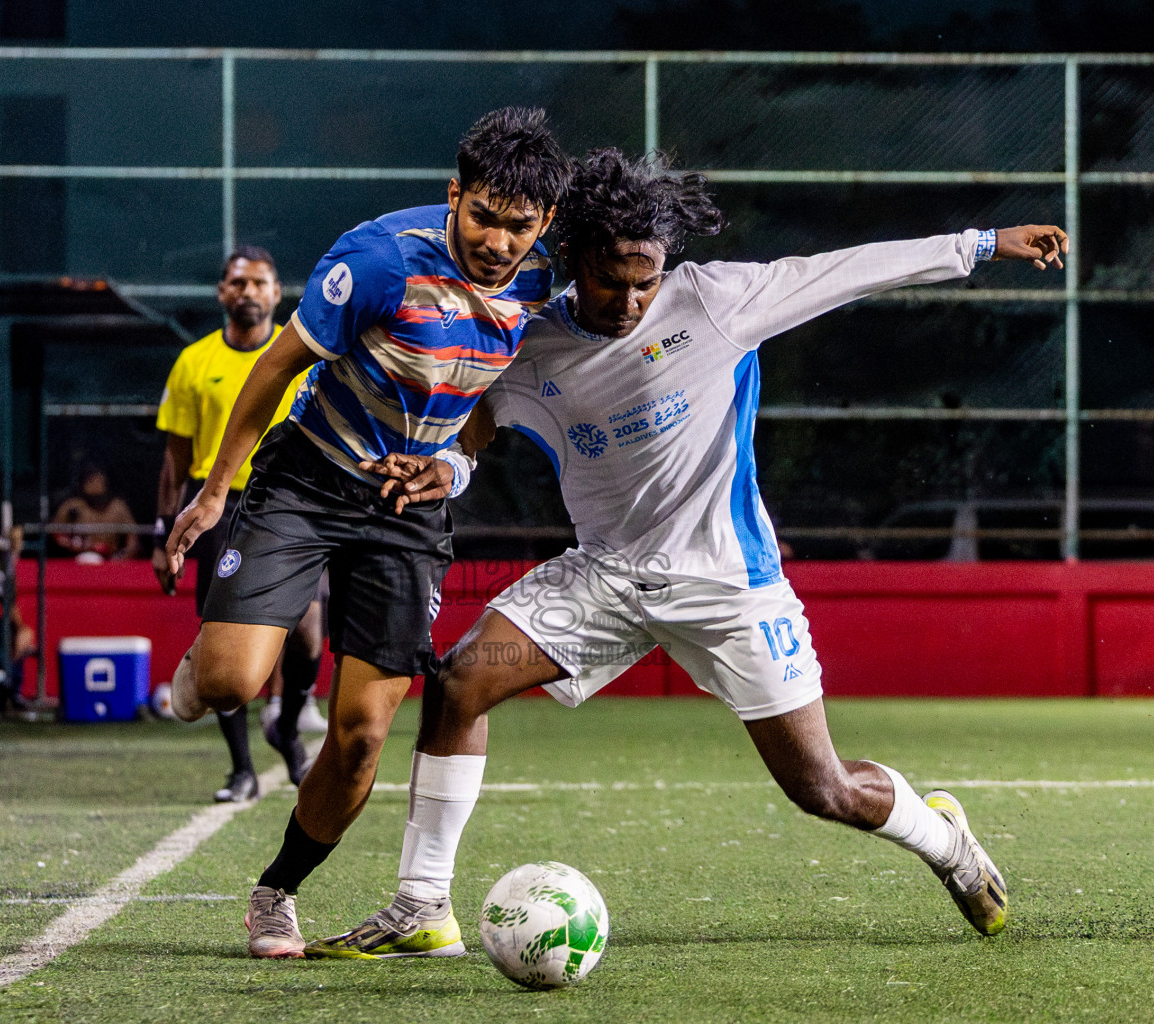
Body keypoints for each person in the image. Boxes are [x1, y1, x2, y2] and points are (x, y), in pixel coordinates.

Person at [308, 149, 1069, 959]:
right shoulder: (531, 342)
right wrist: (448, 469)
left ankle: (944, 838)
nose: (632, 300)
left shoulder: (713, 302)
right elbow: (480, 425)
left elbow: (849, 271)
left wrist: (982, 244)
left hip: (729, 586)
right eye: (612, 281)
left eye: (646, 280)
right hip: (604, 579)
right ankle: (422, 907)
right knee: (460, 682)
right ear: (573, 258)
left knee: (824, 789)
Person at [163, 106, 570, 958]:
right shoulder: (378, 260)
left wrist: (451, 469)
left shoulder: (545, 291)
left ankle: (277, 892)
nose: (498, 241)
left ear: (547, 224)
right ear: (454, 196)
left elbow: (488, 410)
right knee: (237, 682)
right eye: (484, 216)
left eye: (519, 226)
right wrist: (210, 496)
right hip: (307, 478)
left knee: (357, 740)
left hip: (408, 511)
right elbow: (278, 365)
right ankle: (203, 670)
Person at [152, 244, 327, 798]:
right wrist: (165, 535)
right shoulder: (194, 363)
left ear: (278, 294)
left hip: (295, 506)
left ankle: (287, 722)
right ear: (223, 293)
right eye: (238, 282)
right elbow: (175, 461)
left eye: (260, 283)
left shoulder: (306, 357)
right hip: (221, 509)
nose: (248, 291)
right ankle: (242, 769)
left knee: (307, 634)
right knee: (220, 638)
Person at [50, 465, 138, 561]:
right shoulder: (73, 505)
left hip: (110, 560)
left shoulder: (118, 507)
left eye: (99, 479)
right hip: (79, 559)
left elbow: (133, 538)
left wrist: (123, 556)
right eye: (91, 480)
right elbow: (55, 530)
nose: (95, 484)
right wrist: (73, 544)